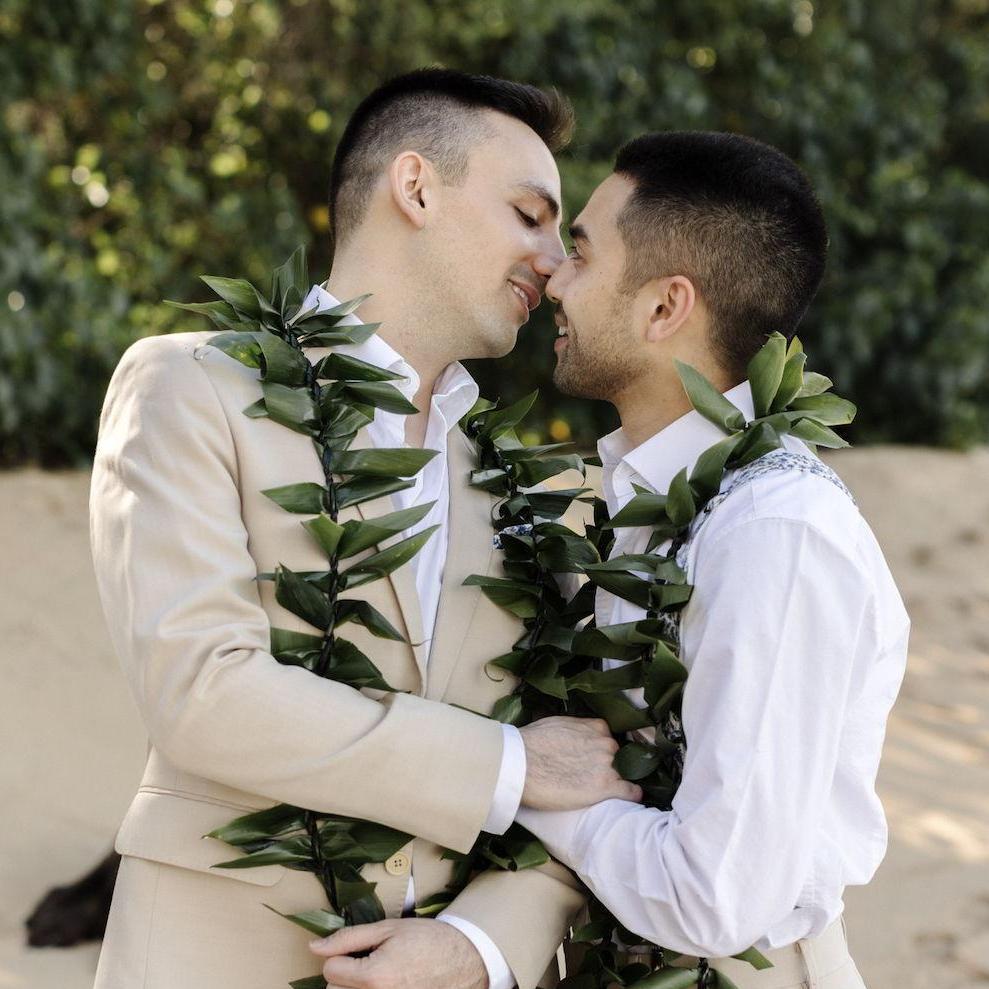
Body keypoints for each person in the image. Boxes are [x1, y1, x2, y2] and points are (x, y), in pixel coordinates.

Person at [314, 133, 909, 989]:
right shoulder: (647, 499)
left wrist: (528, 780)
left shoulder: (775, 532)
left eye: (583, 252)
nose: (553, 277)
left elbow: (713, 895)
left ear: (665, 307)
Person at [90, 68, 641, 989]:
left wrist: (481, 945)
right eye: (529, 215)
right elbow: (202, 690)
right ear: (415, 187)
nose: (553, 262)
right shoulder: (191, 388)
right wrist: (506, 764)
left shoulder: (520, 488)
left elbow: (582, 773)